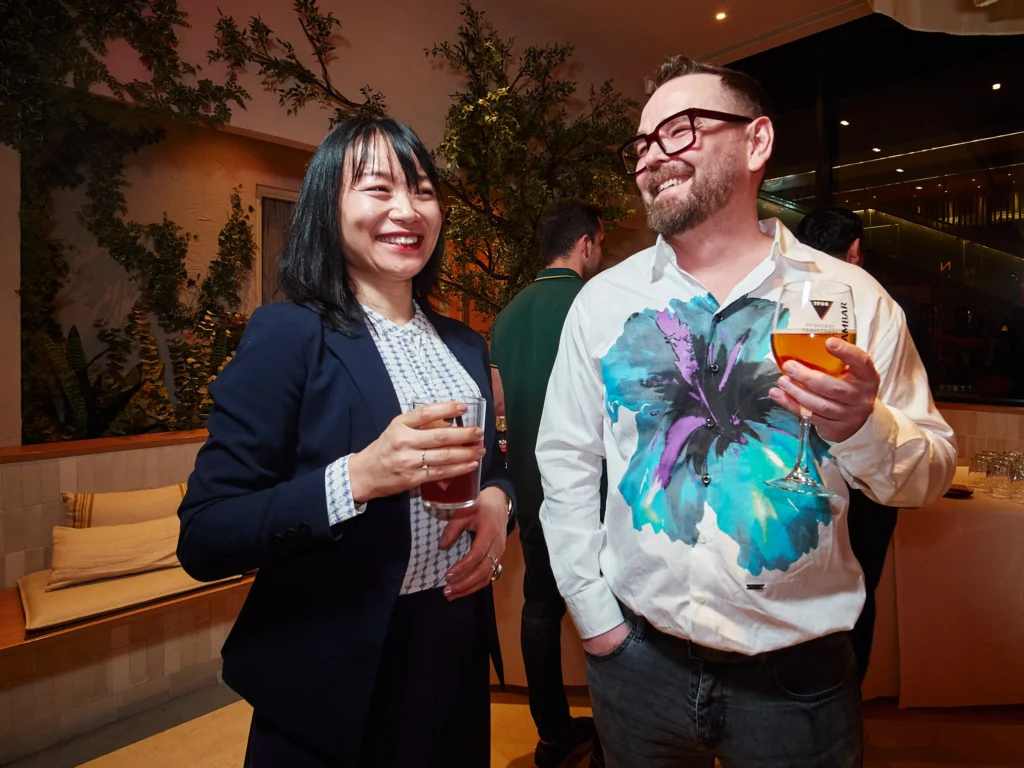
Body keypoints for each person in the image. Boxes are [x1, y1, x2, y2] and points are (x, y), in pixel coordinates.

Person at [536, 55, 956, 768]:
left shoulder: (850, 298)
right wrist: (597, 619)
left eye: (680, 131)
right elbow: (567, 462)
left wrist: (860, 425)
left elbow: (928, 474)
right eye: (641, 145)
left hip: (799, 681)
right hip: (639, 667)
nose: (651, 159)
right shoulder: (604, 304)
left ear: (757, 142)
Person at [177, 116, 515, 768]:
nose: (406, 209)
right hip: (334, 662)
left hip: (451, 646)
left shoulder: (466, 345)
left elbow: (494, 467)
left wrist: (500, 505)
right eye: (378, 188)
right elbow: (206, 533)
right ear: (328, 207)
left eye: (422, 190)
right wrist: (355, 478)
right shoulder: (289, 336)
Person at [490, 199, 606, 768]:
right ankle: (616, 738)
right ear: (585, 243)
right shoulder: (594, 302)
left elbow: (501, 406)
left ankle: (552, 733)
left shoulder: (507, 314)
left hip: (529, 489)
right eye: (600, 245)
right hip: (595, 493)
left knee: (540, 608)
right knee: (614, 614)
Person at [795, 206, 927, 682]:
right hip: (864, 500)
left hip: (826, 493)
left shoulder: (789, 305)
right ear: (855, 251)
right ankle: (844, 697)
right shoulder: (878, 306)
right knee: (857, 597)